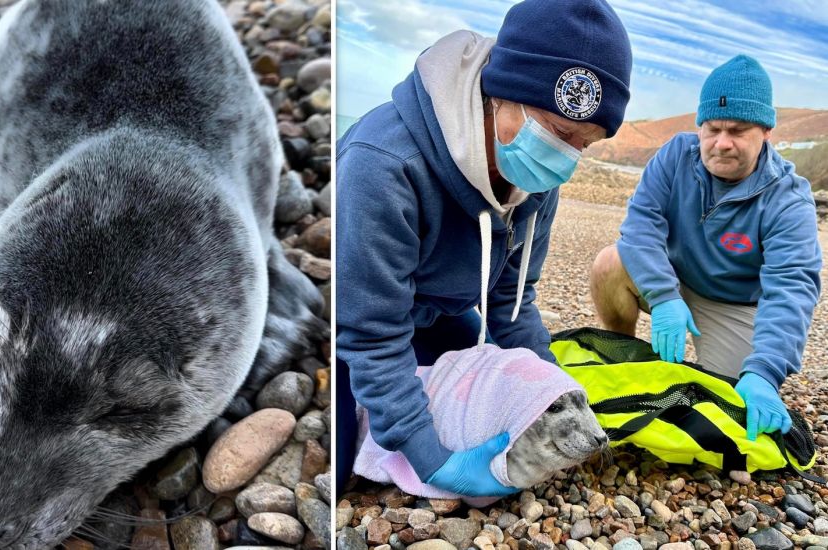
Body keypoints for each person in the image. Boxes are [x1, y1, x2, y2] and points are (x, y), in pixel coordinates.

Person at [336, 0, 632, 497]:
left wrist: (560, 395)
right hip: (356, 318)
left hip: (438, 315)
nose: (565, 159)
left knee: (518, 381)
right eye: (558, 134)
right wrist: (428, 459)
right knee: (342, 472)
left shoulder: (537, 181)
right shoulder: (383, 165)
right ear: (501, 92)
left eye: (585, 144)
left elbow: (513, 308)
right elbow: (370, 332)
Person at [590, 54, 822, 443]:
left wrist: (765, 370)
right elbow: (641, 225)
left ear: (766, 131)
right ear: (700, 125)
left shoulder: (789, 199)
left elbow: (792, 287)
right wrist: (663, 296)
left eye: (738, 130)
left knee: (730, 405)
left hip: (733, 304)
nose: (722, 143)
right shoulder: (675, 155)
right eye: (713, 128)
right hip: (674, 283)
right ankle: (624, 352)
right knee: (610, 263)